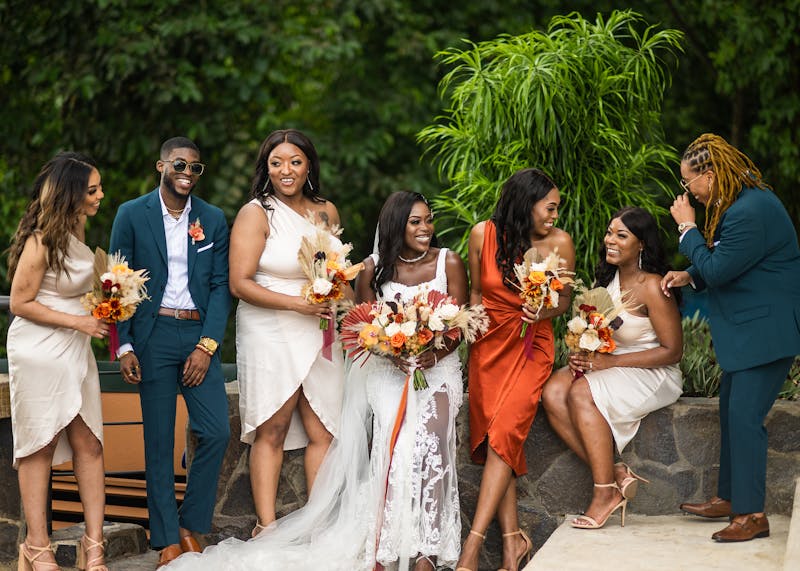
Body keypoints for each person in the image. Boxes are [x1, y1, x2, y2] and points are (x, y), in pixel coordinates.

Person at [168, 191, 469, 571]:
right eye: (415, 222)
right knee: (393, 452)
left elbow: (458, 321)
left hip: (435, 370)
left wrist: (432, 353)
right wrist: (391, 350)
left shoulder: (450, 261)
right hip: (390, 371)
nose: (425, 228)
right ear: (396, 225)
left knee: (431, 448)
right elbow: (364, 324)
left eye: (428, 220)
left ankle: (426, 551)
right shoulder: (373, 269)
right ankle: (390, 545)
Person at [661, 133, 800, 542]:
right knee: (730, 412)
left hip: (765, 331)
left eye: (690, 184)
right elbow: (726, 262)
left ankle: (752, 515)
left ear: (710, 173)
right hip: (751, 331)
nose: (689, 194)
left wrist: (687, 230)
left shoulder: (748, 211)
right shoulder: (740, 206)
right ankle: (731, 497)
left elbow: (721, 269)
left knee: (744, 418)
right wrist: (691, 274)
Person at [109, 137, 231, 567]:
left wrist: (207, 345)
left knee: (216, 431)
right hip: (152, 333)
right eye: (180, 164)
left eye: (195, 168)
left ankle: (189, 523)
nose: (187, 173)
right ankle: (165, 538)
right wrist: (122, 343)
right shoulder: (131, 214)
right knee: (158, 441)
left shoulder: (213, 219)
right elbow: (116, 281)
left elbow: (220, 287)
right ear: (159, 164)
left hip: (198, 333)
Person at [228, 129, 345, 535]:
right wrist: (297, 303)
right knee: (272, 427)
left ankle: (319, 523)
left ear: (308, 164)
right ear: (267, 168)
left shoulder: (326, 211)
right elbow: (239, 283)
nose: (286, 170)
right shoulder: (257, 213)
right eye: (276, 163)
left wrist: (336, 292)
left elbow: (337, 271)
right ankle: (268, 527)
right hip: (271, 327)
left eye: (294, 161)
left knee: (323, 426)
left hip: (318, 327)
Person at [457, 168, 575, 571]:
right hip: (488, 346)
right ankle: (512, 545)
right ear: (526, 204)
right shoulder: (481, 234)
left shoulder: (560, 243)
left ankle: (471, 550)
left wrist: (542, 307)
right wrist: (471, 326)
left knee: (506, 431)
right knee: (497, 443)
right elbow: (476, 290)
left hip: (531, 345)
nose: (555, 216)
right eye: (550, 207)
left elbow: (563, 302)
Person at [542, 207, 683, 530]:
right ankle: (616, 471)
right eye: (609, 233)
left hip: (654, 370)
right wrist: (579, 353)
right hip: (611, 364)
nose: (610, 240)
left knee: (579, 391)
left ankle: (604, 492)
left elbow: (673, 351)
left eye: (622, 235)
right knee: (552, 391)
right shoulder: (606, 280)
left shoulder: (654, 287)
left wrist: (610, 362)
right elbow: (596, 334)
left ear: (642, 244)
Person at [7, 152, 110, 571]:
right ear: (70, 195)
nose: (101, 195)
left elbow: (73, 288)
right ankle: (36, 546)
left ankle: (94, 545)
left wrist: (111, 302)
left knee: (90, 442)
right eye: (92, 190)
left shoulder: (76, 227)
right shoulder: (39, 240)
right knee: (41, 443)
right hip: (39, 351)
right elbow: (19, 302)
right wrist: (77, 322)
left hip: (75, 348)